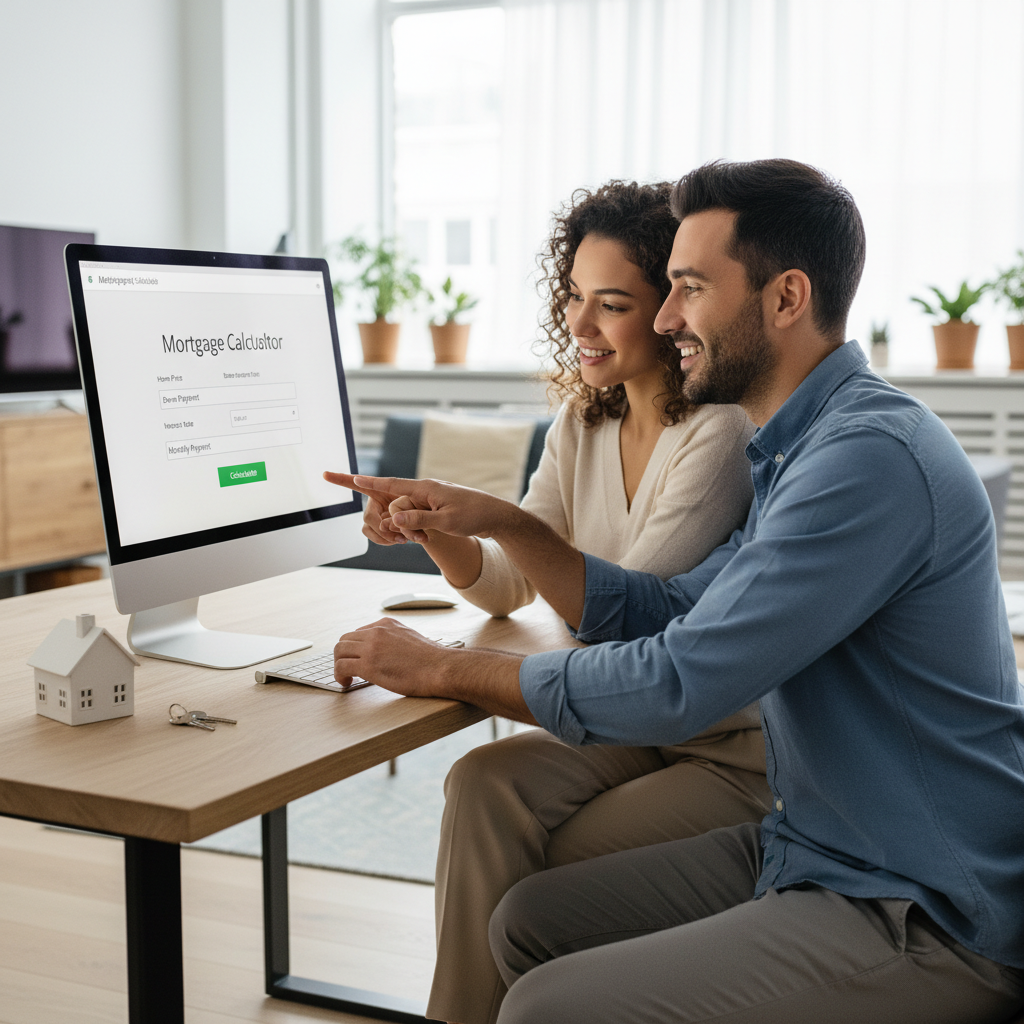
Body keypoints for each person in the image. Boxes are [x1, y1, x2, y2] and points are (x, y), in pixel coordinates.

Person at [329, 158, 1024, 1024]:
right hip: (814, 844)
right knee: (527, 923)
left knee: (549, 1005)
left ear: (786, 298)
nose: (664, 317)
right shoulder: (798, 450)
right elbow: (668, 606)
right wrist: (496, 524)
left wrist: (448, 669)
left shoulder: (865, 461)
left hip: (920, 904)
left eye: (688, 288)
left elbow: (675, 680)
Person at [327, 180, 770, 1024]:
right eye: (573, 297)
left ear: (671, 312)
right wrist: (434, 526)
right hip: (627, 722)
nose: (579, 325)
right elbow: (505, 585)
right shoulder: (583, 424)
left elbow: (624, 611)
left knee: (527, 861)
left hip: (719, 745)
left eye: (611, 303)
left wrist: (491, 515)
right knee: (482, 786)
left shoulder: (719, 435)